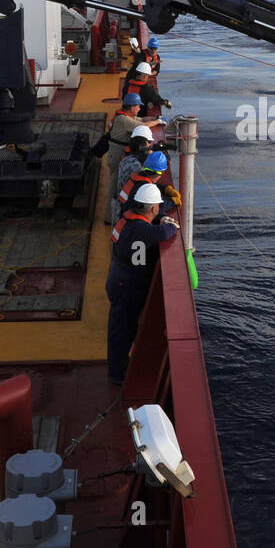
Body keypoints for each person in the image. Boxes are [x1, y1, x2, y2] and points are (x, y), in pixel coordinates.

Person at [106, 182, 178, 384]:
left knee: (121, 329)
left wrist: (160, 220)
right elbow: (165, 233)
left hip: (119, 279)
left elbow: (150, 228)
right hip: (126, 287)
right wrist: (169, 222)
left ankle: (119, 368)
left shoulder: (128, 218)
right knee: (121, 332)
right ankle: (117, 374)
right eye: (158, 208)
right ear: (154, 208)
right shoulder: (141, 229)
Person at [104, 93, 164, 223]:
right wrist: (158, 122)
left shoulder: (128, 117)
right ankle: (109, 218)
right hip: (116, 153)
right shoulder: (123, 120)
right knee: (113, 186)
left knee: (116, 185)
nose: (139, 109)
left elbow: (142, 120)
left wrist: (155, 117)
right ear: (131, 107)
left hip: (118, 152)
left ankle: (112, 216)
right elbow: (142, 126)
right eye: (137, 106)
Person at [115, 150, 181, 219]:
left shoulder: (137, 176)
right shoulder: (144, 187)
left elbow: (147, 184)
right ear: (162, 172)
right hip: (132, 221)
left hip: (123, 215)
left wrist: (165, 189)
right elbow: (155, 207)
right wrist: (172, 202)